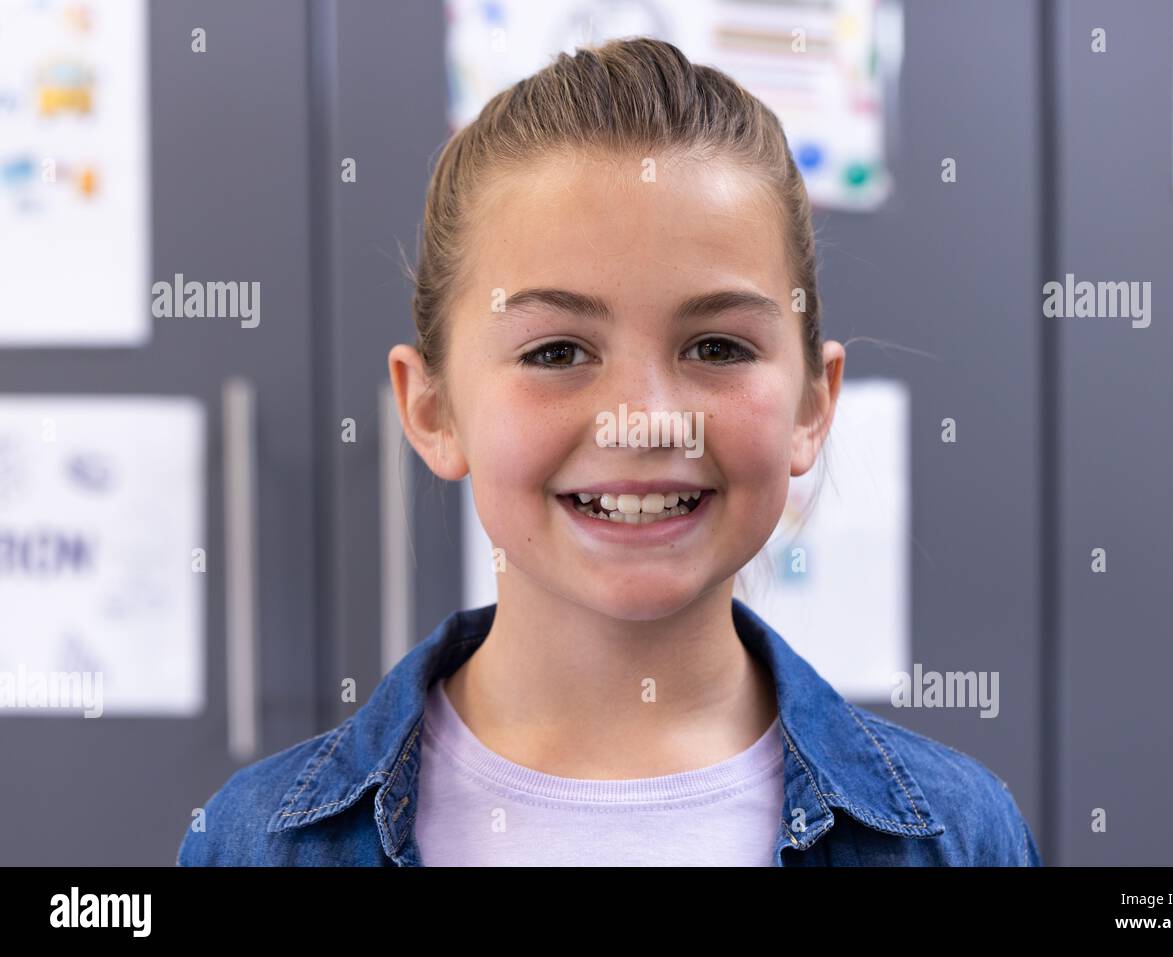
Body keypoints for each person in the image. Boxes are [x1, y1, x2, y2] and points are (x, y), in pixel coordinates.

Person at [177, 36, 1041, 867]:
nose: (645, 420)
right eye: (556, 352)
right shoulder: (256, 844)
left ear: (813, 404)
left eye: (717, 348)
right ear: (432, 407)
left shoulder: (955, 839)